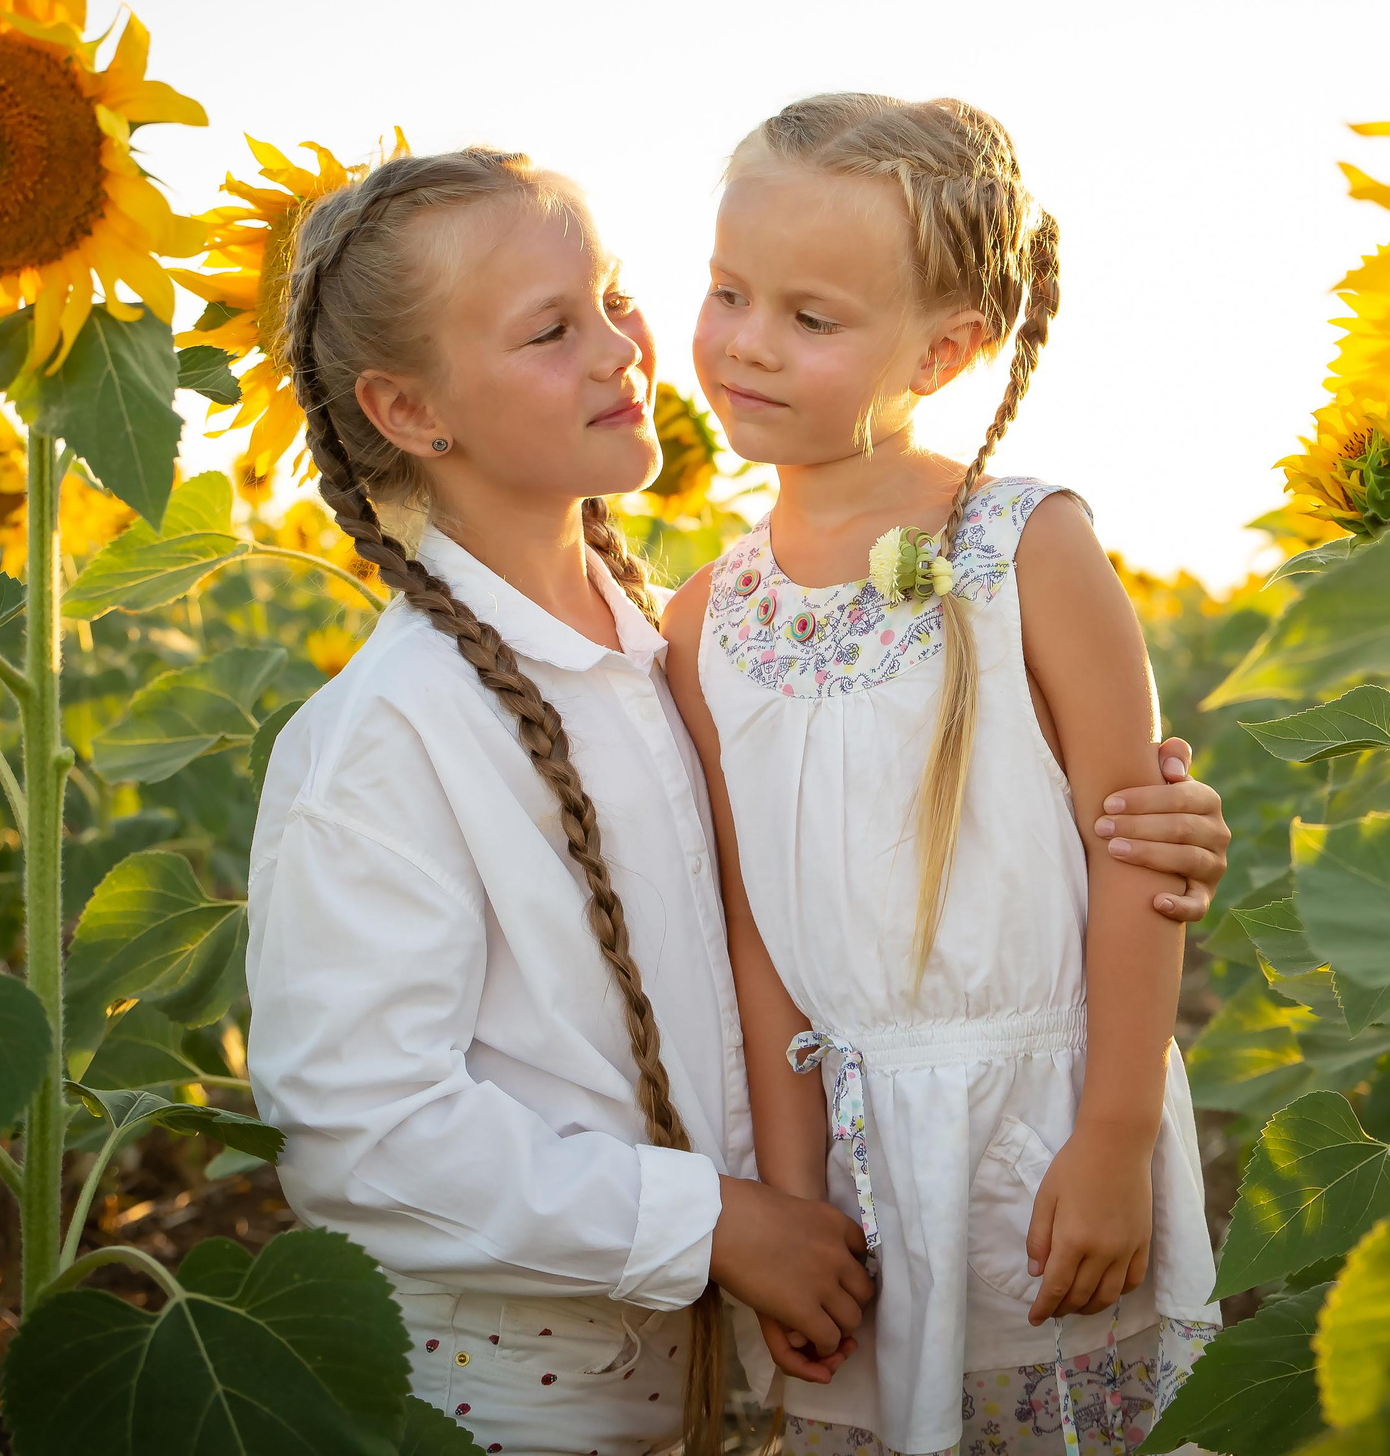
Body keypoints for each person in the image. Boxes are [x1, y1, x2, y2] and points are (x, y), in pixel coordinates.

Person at [243, 147, 1232, 1456]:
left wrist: (1122, 821)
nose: (619, 351)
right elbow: (362, 1141)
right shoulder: (383, 739)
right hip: (527, 1401)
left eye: (610, 296)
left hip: (725, 1372)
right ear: (413, 412)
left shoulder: (688, 650)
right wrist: (717, 1220)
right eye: (552, 331)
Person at [663, 95, 1220, 1456]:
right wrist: (793, 1200)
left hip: (1042, 1143)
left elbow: (1136, 846)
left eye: (812, 318)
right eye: (729, 290)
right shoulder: (703, 618)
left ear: (947, 349)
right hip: (853, 1167)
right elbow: (756, 930)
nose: (745, 341)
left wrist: (1117, 1135)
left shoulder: (1028, 548)